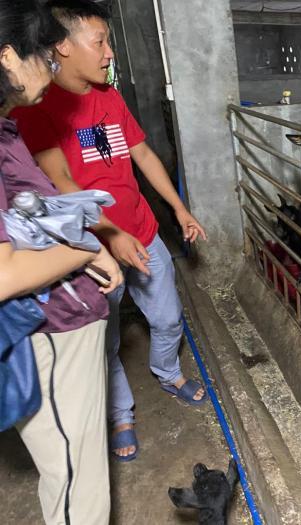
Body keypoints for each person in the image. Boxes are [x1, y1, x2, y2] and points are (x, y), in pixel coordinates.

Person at [12, 0, 208, 463]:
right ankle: (120, 411)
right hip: (89, 250)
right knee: (106, 339)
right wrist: (110, 234)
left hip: (143, 230)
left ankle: (167, 371)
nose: (109, 53)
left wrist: (178, 208)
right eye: (99, 41)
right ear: (62, 46)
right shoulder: (37, 107)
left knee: (167, 317)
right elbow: (61, 181)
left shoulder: (110, 97)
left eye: (108, 42)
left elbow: (142, 156)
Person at [0, 1, 123, 522]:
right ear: (8, 56)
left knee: (77, 471)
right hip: (48, 329)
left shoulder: (7, 128)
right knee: (78, 486)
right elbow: (3, 274)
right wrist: (87, 246)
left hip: (63, 319)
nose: (51, 70)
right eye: (44, 57)